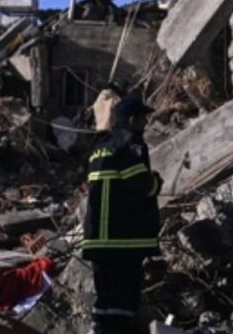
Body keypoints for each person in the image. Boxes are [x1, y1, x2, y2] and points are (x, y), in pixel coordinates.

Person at [82, 92, 162, 334]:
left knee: (104, 297)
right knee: (124, 298)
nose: (146, 123)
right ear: (131, 119)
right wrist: (156, 182)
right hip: (123, 238)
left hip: (98, 238)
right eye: (142, 118)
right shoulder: (130, 143)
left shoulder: (100, 146)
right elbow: (139, 183)